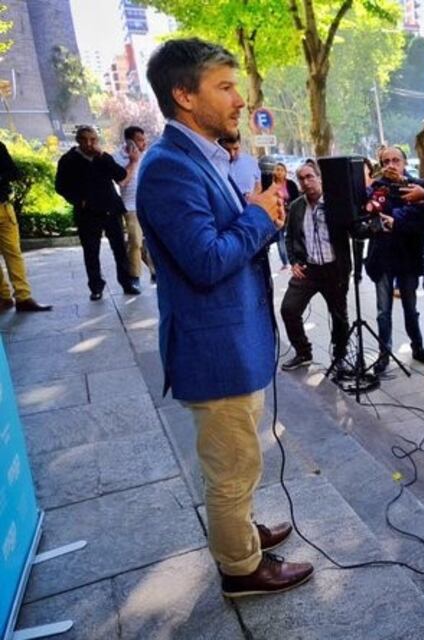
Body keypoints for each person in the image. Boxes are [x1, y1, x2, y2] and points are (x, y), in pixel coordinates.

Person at [139, 37, 313, 597]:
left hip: (235, 340)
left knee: (241, 458)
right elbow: (207, 258)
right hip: (214, 352)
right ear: (184, 96)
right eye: (225, 87)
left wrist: (257, 211)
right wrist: (259, 217)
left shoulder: (201, 158)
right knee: (231, 469)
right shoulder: (169, 167)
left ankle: (242, 531)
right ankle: (241, 567)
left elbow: (223, 237)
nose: (240, 99)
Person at [364, 146, 424, 372]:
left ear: (404, 162)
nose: (391, 165)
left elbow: (422, 216)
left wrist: (395, 219)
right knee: (383, 311)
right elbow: (369, 215)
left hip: (408, 258)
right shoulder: (375, 188)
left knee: (410, 307)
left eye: (396, 160)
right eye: (386, 161)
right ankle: (384, 353)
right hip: (382, 257)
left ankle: (418, 346)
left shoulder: (416, 186)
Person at [279, 161, 352, 371]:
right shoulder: (296, 206)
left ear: (320, 178)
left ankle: (340, 358)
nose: (306, 182)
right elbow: (290, 236)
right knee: (289, 309)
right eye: (301, 178)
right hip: (308, 270)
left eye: (310, 176)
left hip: (334, 268)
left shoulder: (335, 203)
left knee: (339, 315)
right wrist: (293, 262)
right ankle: (303, 352)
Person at [55, 125, 139, 300]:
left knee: (120, 249)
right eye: (84, 139)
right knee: (91, 251)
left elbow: (120, 175)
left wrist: (102, 156)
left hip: (111, 209)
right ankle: (96, 287)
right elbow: (61, 187)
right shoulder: (68, 160)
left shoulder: (103, 157)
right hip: (87, 213)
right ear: (78, 140)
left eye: (92, 139)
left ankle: (126, 282)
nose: (89, 143)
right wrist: (79, 201)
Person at [0, 141, 51, 312]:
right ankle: (4, 297)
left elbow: (13, 172)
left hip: (4, 207)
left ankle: (23, 297)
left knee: (14, 253)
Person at [115, 125, 155, 286]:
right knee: (135, 241)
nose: (144, 143)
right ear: (129, 141)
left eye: (144, 139)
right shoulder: (117, 157)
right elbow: (122, 182)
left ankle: (155, 271)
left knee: (152, 241)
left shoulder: (150, 155)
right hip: (130, 206)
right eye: (140, 140)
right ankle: (134, 276)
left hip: (149, 205)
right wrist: (133, 161)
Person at [270, 162, 299, 271]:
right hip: (276, 215)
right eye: (277, 169)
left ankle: (294, 258)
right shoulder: (270, 185)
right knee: (280, 238)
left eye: (281, 170)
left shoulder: (290, 184)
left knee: (291, 236)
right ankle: (285, 261)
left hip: (290, 214)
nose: (279, 172)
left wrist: (289, 206)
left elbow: (296, 198)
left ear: (285, 172)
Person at [220, 132, 261, 197]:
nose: (232, 154)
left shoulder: (252, 162)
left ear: (240, 144)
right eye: (227, 149)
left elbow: (258, 186)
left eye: (236, 149)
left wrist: (252, 197)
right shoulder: (214, 164)